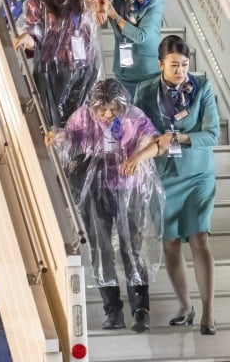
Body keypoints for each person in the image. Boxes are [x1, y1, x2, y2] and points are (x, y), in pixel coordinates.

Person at [124, 36, 220, 334]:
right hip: (165, 175)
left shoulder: (201, 88)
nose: (181, 71)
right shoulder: (144, 91)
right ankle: (185, 306)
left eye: (185, 65)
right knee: (170, 242)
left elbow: (212, 134)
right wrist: (140, 151)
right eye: (174, 65)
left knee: (199, 238)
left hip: (197, 174)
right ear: (160, 64)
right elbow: (138, 129)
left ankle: (208, 312)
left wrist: (178, 138)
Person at [53, 79, 163, 333]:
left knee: (132, 247)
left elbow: (151, 140)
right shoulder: (83, 116)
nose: (106, 114)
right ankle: (112, 311)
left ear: (121, 104)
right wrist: (59, 137)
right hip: (96, 190)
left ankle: (140, 309)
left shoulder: (133, 117)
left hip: (129, 188)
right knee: (101, 249)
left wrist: (138, 154)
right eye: (101, 110)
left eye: (112, 109)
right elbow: (71, 139)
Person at [15, 0, 107, 138]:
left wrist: (102, 6)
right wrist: (27, 38)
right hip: (52, 73)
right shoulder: (37, 2)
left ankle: (79, 164)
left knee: (83, 125)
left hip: (83, 69)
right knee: (55, 127)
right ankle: (58, 164)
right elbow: (35, 34)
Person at [103, 0, 164, 99]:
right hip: (123, 71)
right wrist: (99, 7)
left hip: (146, 73)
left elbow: (141, 36)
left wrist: (115, 17)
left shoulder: (154, 2)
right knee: (125, 118)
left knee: (145, 120)